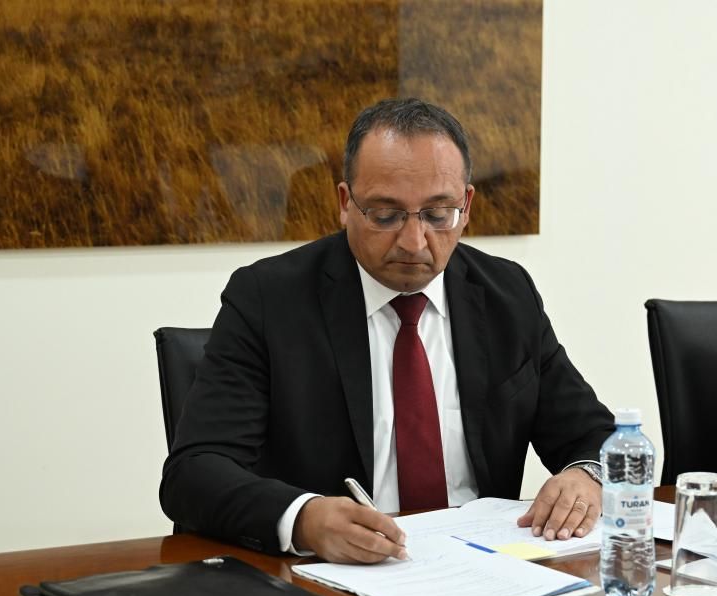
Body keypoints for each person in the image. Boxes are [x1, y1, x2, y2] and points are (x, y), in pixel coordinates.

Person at [161, 98, 615, 563]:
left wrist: (587, 476)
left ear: (466, 206)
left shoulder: (507, 295)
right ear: (345, 203)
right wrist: (304, 518)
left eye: (438, 214)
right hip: (332, 579)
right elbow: (193, 473)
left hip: (483, 570)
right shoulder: (268, 299)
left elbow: (600, 438)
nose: (414, 242)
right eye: (385, 214)